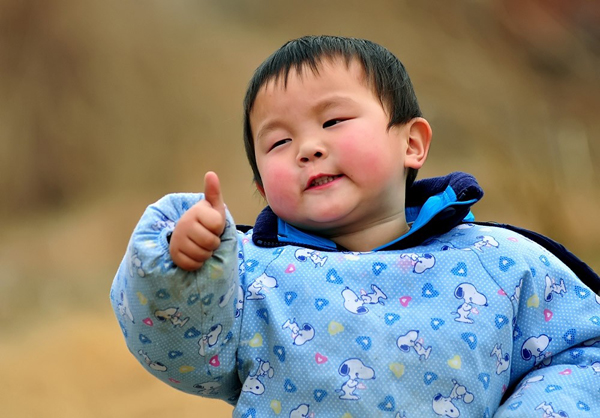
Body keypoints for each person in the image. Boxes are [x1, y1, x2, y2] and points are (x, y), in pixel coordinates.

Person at [111, 36, 600, 417]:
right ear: (261, 187)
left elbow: (584, 350)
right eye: (278, 142)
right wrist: (184, 272)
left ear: (411, 144)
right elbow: (182, 357)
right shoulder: (249, 278)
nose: (308, 148)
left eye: (333, 121)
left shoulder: (497, 261)